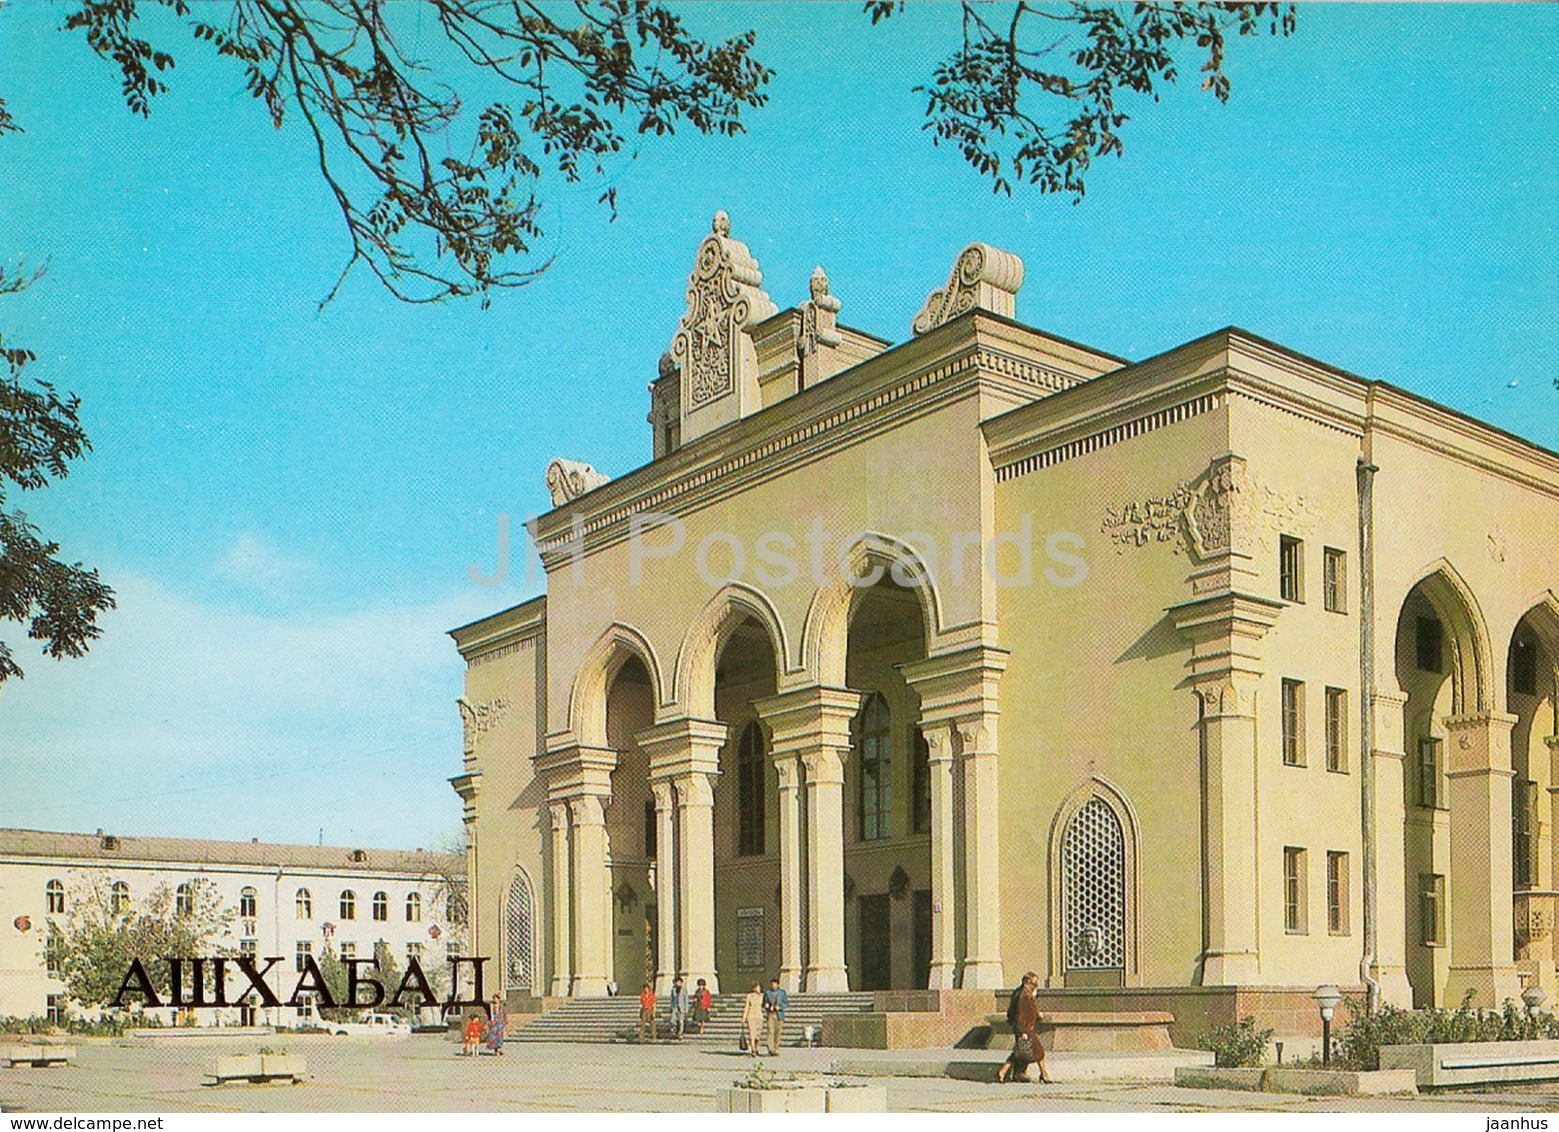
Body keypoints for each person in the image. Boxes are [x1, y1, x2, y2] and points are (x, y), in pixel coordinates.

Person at [996, 972, 1052, 1084]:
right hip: (1025, 1028)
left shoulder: (1023, 993)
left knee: (1020, 1052)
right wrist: (1023, 1031)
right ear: (1026, 982)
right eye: (1034, 983)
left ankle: (1005, 1072)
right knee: (1038, 1052)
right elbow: (1021, 1014)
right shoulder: (1023, 995)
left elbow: (1028, 1010)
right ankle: (1044, 1074)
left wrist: (1037, 1014)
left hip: (1024, 1027)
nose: (1035, 986)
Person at [761, 977, 788, 1056]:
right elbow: (764, 1003)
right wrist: (767, 1006)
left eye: (774, 984)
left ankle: (776, 1048)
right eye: (772, 984)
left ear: (778, 984)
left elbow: (786, 1003)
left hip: (779, 1014)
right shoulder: (767, 993)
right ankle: (770, 1048)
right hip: (770, 1014)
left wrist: (780, 1007)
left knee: (778, 1032)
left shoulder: (782, 993)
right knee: (770, 1031)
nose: (773, 985)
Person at [740, 982, 764, 1058]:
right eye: (757, 987)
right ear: (753, 988)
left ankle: (757, 1048)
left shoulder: (762, 996)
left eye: (759, 987)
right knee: (752, 1034)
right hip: (751, 1016)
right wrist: (743, 1017)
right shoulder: (749, 996)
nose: (758, 989)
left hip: (759, 1016)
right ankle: (753, 1049)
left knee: (758, 1035)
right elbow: (746, 1007)